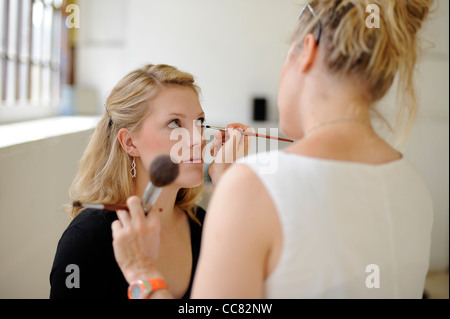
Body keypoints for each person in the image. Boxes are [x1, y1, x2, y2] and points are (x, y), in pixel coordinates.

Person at [112, 0, 435, 299]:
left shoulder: (251, 189)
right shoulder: (414, 185)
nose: (196, 137)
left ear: (306, 51)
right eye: (175, 124)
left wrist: (143, 274)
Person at [49, 64, 250, 299]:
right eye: (175, 123)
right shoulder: (86, 239)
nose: (198, 139)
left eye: (199, 122)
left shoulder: (202, 224)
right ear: (130, 143)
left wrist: (230, 189)